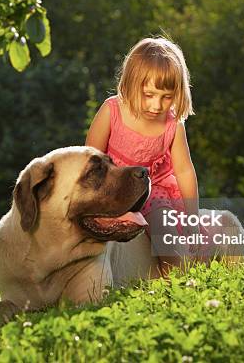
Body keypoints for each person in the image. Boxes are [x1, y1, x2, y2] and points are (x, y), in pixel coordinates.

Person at [85, 37, 201, 276]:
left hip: (152, 191)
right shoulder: (112, 110)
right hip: (111, 188)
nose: (157, 105)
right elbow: (89, 159)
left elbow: (184, 171)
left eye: (166, 96)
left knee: (165, 235)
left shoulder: (173, 124)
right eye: (148, 94)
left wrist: (193, 219)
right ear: (130, 83)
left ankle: (176, 279)